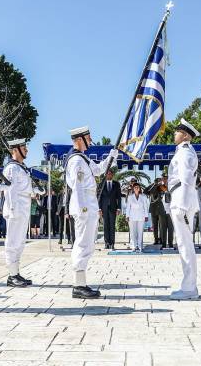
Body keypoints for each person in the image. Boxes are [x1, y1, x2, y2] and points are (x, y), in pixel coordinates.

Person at [65, 126, 119, 299]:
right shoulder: (76, 160)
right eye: (88, 138)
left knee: (87, 244)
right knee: (82, 243)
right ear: (79, 139)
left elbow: (98, 170)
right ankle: (79, 285)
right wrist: (83, 209)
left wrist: (111, 156)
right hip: (84, 205)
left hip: (88, 203)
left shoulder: (83, 159)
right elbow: (78, 187)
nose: (90, 140)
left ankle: (81, 283)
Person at [167, 119, 201, 300]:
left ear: (186, 135)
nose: (175, 134)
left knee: (186, 245)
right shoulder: (182, 151)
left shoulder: (186, 153)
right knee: (183, 244)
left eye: (178, 131)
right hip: (180, 197)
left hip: (182, 199)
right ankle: (188, 286)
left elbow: (187, 180)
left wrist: (181, 205)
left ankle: (189, 288)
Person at [2, 138, 43, 288]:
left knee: (19, 242)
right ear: (15, 150)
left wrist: (35, 191)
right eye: (23, 148)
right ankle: (12, 276)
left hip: (23, 208)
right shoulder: (12, 168)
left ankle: (16, 272)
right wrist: (13, 210)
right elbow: (10, 191)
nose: (26, 150)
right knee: (12, 242)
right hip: (16, 209)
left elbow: (23, 189)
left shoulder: (21, 168)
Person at [98, 169, 121, 249]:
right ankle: (106, 243)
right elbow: (99, 197)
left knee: (112, 226)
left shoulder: (117, 184)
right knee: (105, 226)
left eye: (110, 174)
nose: (109, 175)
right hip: (104, 209)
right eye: (107, 174)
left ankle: (112, 243)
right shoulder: (101, 184)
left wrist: (119, 208)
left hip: (113, 208)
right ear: (105, 175)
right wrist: (99, 209)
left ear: (112, 175)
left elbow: (119, 197)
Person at [125, 182, 149, 252]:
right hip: (132, 216)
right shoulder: (130, 197)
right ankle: (134, 246)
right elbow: (128, 207)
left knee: (140, 232)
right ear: (133, 188)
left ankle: (140, 246)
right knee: (133, 232)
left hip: (141, 216)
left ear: (139, 189)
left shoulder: (143, 197)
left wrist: (146, 216)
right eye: (135, 187)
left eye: (137, 187)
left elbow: (145, 207)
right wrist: (127, 216)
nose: (136, 188)